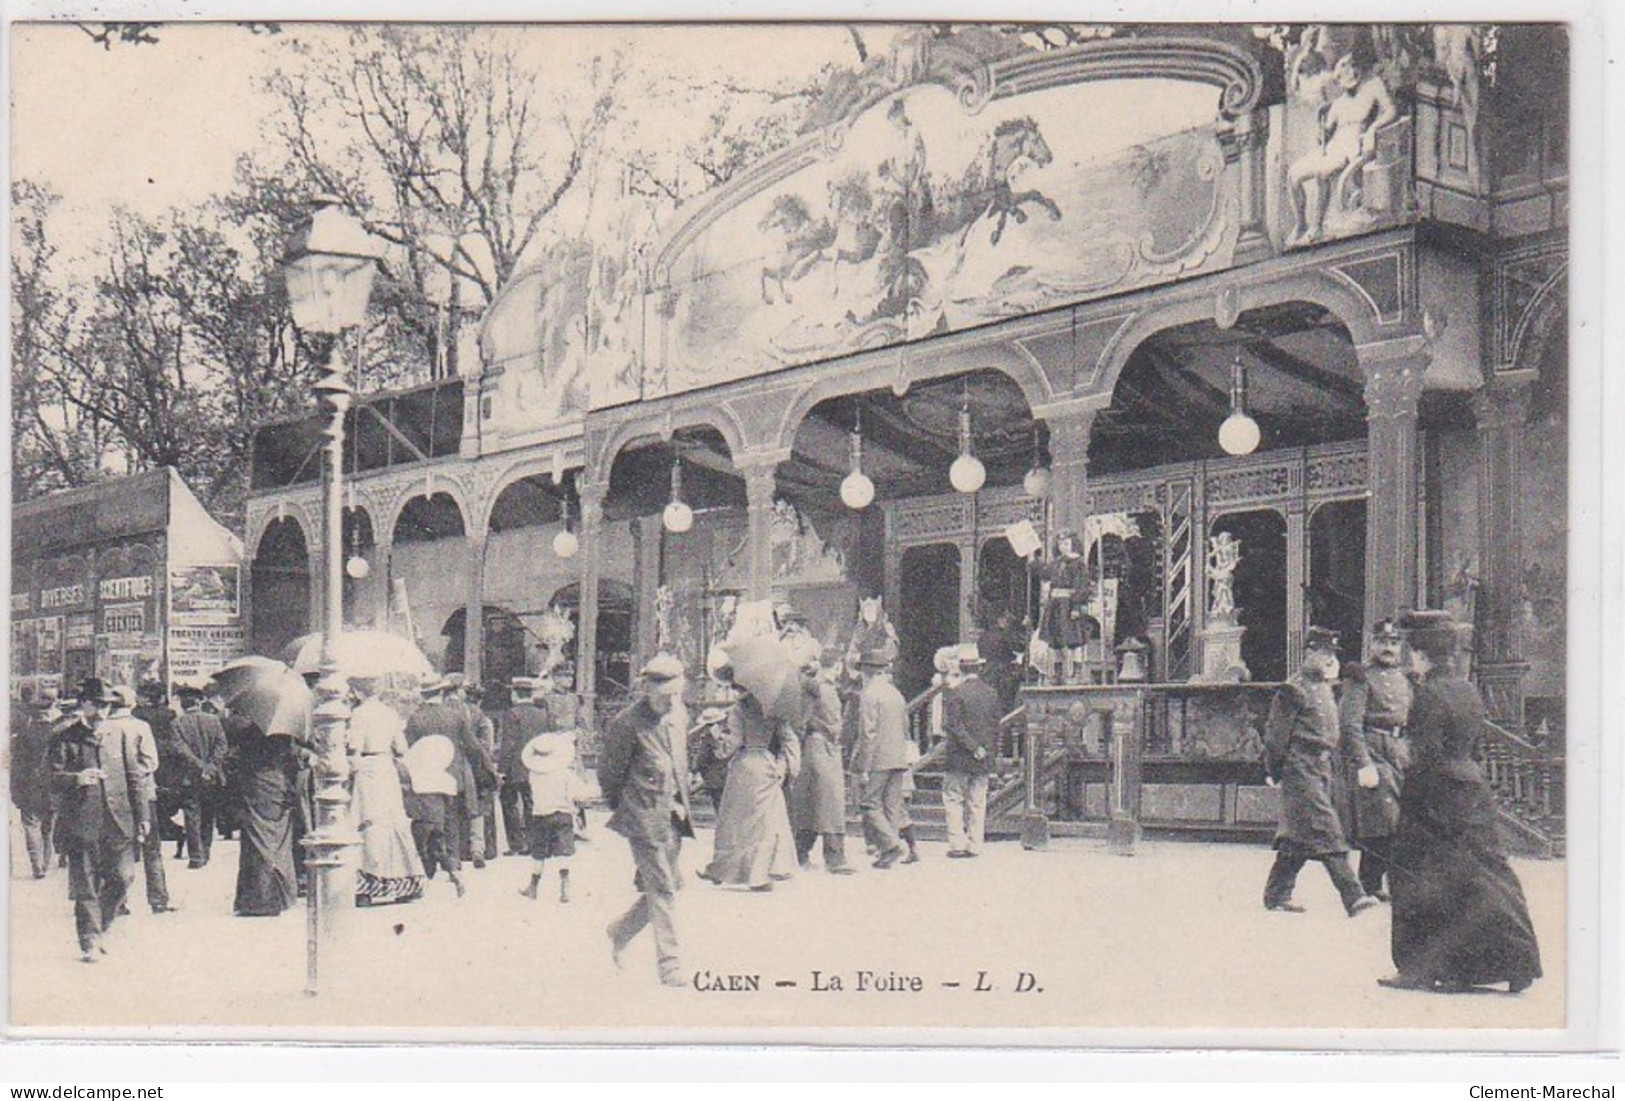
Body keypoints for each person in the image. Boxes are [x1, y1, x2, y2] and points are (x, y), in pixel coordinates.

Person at [1381, 610, 1542, 993]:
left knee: (1413, 876)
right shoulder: (1467, 690)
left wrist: (1409, 787)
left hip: (1435, 796)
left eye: (1410, 650)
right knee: (1488, 875)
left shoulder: (1429, 695)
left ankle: (1418, 969)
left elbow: (1427, 756)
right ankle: (1517, 961)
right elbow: (1475, 747)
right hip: (1473, 792)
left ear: (1420, 654)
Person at [1261, 627, 1380, 917]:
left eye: (1331, 654)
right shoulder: (1293, 689)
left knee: (1298, 837)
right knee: (1328, 830)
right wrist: (1273, 770)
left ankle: (1276, 894)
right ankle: (1353, 897)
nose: (1328, 659)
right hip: (1300, 769)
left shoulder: (1326, 686)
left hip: (1324, 768)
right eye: (1323, 653)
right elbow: (1276, 736)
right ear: (1308, 653)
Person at [599, 654, 693, 987]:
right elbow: (609, 777)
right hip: (642, 818)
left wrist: (680, 800)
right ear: (648, 690)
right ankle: (670, 965)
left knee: (667, 885)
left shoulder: (678, 716)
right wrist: (631, 810)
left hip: (673, 817)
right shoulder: (627, 724)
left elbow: (678, 763)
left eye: (676, 696)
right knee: (663, 887)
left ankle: (620, 930)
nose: (671, 704)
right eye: (665, 697)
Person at [47, 679, 149, 961]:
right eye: (98, 704)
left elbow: (134, 777)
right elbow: (50, 777)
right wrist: (76, 778)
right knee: (86, 884)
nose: (103, 711)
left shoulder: (120, 735)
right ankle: (90, 939)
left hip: (119, 821)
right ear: (85, 704)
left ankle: (99, 926)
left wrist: (143, 816)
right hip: (81, 822)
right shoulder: (65, 737)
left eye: (108, 705)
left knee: (123, 877)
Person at [699, 643, 801, 892]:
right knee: (767, 823)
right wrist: (784, 766)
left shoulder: (738, 711)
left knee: (734, 822)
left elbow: (730, 746)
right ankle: (761, 874)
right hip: (767, 765)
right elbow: (790, 740)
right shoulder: (774, 709)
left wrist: (716, 737)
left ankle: (724, 869)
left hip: (744, 768)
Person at [1288, 45, 1398, 244]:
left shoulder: (1373, 86)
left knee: (1323, 173)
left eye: (1349, 68)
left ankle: (1317, 227)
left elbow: (1391, 111)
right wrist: (1320, 129)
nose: (1345, 76)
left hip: (1351, 147)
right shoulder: (1339, 103)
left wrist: (1373, 128)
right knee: (1293, 174)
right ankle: (1301, 223)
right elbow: (1325, 133)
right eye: (1340, 74)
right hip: (1332, 147)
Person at [1338, 619, 1413, 899]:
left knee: (1398, 823)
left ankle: (1374, 882)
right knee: (1385, 819)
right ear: (1372, 643)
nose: (1389, 648)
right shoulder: (1360, 676)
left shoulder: (1406, 678)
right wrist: (1363, 763)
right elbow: (1349, 724)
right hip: (1375, 749)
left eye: (1394, 643)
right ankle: (1371, 882)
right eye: (1383, 642)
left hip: (1401, 751)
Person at [346, 677, 425, 907]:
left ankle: (366, 887)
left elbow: (355, 749)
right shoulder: (390, 713)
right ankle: (406, 881)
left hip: (367, 771)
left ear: (359, 692)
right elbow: (401, 748)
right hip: (386, 769)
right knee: (393, 823)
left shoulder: (359, 714)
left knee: (367, 825)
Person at [403, 675, 476, 898]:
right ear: (442, 693)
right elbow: (472, 745)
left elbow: (410, 750)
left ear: (423, 696)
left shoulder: (415, 719)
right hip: (450, 775)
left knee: (425, 823)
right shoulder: (454, 716)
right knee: (450, 820)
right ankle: (453, 863)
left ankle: (428, 868)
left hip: (424, 777)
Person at [104, 686, 174, 914]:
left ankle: (119, 901)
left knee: (117, 848)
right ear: (132, 703)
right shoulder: (140, 727)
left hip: (113, 796)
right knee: (152, 848)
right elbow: (151, 762)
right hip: (144, 794)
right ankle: (158, 898)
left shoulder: (103, 727)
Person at [229, 703, 302, 918]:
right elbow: (292, 762)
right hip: (277, 789)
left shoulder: (245, 733)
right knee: (278, 844)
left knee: (255, 843)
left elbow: (237, 760)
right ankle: (279, 895)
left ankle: (256, 899)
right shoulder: (285, 735)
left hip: (254, 788)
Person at [790, 644, 855, 875]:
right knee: (829, 801)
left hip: (819, 748)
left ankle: (802, 852)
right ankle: (834, 857)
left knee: (815, 802)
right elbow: (815, 720)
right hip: (821, 748)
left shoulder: (817, 687)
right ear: (837, 666)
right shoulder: (819, 688)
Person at [851, 647, 913, 869]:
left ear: (866, 671)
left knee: (869, 803)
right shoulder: (895, 693)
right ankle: (888, 852)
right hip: (898, 756)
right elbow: (905, 726)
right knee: (892, 806)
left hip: (878, 758)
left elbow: (868, 733)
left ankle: (891, 845)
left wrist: (864, 766)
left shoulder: (869, 695)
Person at [942, 643, 1001, 859]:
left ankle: (957, 844)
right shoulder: (991, 694)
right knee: (978, 802)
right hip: (983, 756)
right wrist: (984, 749)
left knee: (954, 798)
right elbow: (996, 726)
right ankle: (975, 844)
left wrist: (972, 747)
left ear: (962, 668)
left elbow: (954, 726)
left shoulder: (955, 694)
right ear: (979, 668)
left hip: (959, 756)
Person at [168, 683, 229, 869]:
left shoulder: (177, 723)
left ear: (183, 704)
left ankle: (196, 856)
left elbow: (180, 749)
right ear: (199, 701)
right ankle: (206, 850)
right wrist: (209, 768)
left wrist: (198, 766)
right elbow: (222, 746)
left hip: (189, 777)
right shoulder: (213, 720)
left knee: (191, 816)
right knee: (209, 814)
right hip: (212, 777)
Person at [517, 726, 580, 903]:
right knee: (562, 852)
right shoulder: (565, 773)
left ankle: (533, 886)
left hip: (540, 815)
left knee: (539, 853)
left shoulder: (533, 775)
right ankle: (565, 885)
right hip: (562, 814)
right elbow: (573, 794)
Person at [496, 677, 549, 855]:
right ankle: (533, 843)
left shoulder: (512, 713)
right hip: (536, 766)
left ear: (514, 693)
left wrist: (501, 770)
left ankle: (517, 844)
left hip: (515, 768)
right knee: (531, 803)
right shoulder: (542, 714)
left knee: (509, 803)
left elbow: (508, 744)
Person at [11, 688, 59, 879]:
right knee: (48, 828)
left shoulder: (24, 733)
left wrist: (15, 792)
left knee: (31, 825)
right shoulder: (59, 734)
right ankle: (45, 865)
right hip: (53, 786)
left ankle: (37, 865)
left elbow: (15, 764)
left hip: (29, 785)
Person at [1038, 533, 1092, 684]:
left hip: (1069, 606)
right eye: (1061, 544)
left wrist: (1076, 606)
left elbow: (1081, 585)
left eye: (1066, 543)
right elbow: (1044, 573)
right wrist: (1032, 561)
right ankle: (1057, 672)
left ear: (1073, 544)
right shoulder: (1055, 563)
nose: (1064, 547)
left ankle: (1077, 672)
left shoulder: (1079, 563)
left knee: (1074, 640)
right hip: (1055, 606)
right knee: (1055, 640)